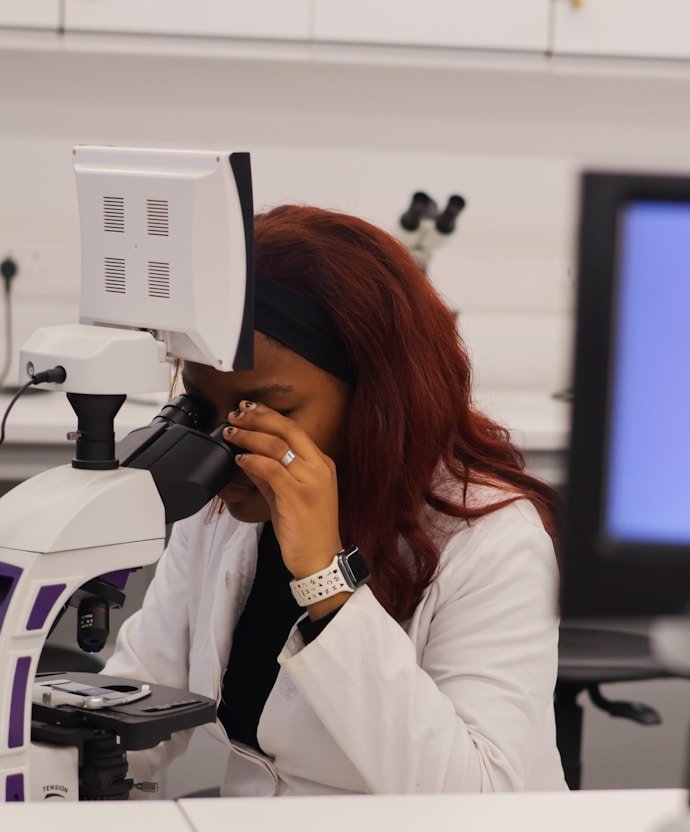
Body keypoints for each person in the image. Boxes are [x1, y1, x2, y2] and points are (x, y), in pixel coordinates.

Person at [105, 204, 566, 796]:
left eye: (267, 411)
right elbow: (138, 709)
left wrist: (327, 581)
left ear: (377, 399)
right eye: (204, 408)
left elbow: (479, 801)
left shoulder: (493, 540)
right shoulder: (225, 512)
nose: (226, 445)